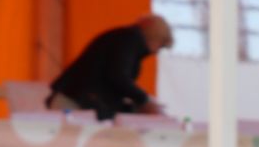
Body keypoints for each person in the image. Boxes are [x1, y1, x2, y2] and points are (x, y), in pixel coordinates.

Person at [46, 14, 174, 119]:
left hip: (72, 99)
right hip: (76, 103)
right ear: (157, 39)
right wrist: (144, 100)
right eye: (161, 46)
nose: (156, 52)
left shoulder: (121, 38)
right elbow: (118, 77)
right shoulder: (129, 40)